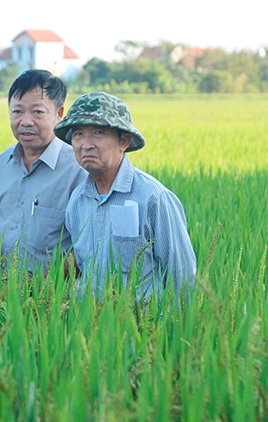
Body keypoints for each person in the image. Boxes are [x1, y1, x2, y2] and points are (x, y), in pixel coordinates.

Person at [55, 92, 196, 299]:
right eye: (78, 134)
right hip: (89, 325)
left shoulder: (153, 198)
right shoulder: (77, 200)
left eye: (99, 133)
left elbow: (181, 276)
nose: (86, 144)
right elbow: (82, 266)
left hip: (143, 325)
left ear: (124, 141)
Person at [0, 70, 86, 273]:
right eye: (17, 112)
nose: (25, 121)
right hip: (2, 291)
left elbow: (89, 244)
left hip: (55, 297)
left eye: (37, 112)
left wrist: (45, 286)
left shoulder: (78, 169)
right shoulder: (3, 163)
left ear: (59, 114)